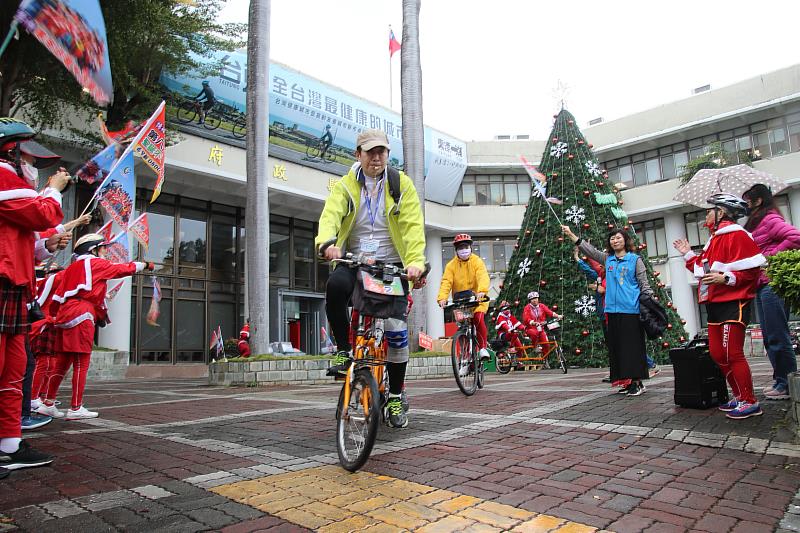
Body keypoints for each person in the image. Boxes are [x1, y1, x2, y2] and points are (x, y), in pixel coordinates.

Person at [315, 129, 425, 429]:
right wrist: (327, 242)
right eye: (370, 152)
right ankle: (342, 350)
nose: (376, 157)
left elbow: (414, 226)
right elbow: (330, 216)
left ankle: (396, 395)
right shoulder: (345, 186)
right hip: (356, 261)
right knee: (335, 287)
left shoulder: (401, 185)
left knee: (395, 330)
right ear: (358, 154)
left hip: (391, 264)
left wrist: (415, 262)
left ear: (387, 155)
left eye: (382, 152)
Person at [0, 117, 70, 474]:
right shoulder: (1, 176)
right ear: (10, 152)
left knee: (14, 371)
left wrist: (45, 245)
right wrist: (55, 188)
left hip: (15, 284)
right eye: (28, 159)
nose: (33, 168)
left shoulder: (12, 182)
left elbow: (22, 241)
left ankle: (9, 444)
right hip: (2, 283)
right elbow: (43, 210)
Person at [37, 234, 154, 420]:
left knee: (61, 363)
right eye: (103, 248)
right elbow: (124, 269)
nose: (105, 251)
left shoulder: (71, 269)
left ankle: (48, 403)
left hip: (64, 315)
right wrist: (146, 265)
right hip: (82, 314)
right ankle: (75, 408)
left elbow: (56, 298)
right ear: (93, 249)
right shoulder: (95, 264)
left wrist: (54, 316)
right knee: (81, 363)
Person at [672, 193, 765, 419]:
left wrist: (727, 278)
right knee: (717, 353)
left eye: (709, 210)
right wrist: (687, 254)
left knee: (732, 352)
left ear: (720, 212)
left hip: (734, 302)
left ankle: (750, 401)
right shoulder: (715, 239)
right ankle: (740, 397)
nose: (706, 215)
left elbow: (753, 270)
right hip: (715, 303)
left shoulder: (737, 235)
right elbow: (704, 271)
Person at [562, 225, 652, 396]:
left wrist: (649, 303)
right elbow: (590, 251)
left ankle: (637, 382)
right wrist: (571, 235)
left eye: (618, 237)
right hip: (611, 310)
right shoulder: (608, 259)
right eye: (612, 238)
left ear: (625, 240)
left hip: (631, 310)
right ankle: (625, 381)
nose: (615, 240)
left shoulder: (635, 260)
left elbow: (644, 284)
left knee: (631, 348)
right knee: (617, 347)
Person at [742, 184, 800, 400]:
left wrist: (770, 256)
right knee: (769, 335)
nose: (746, 205)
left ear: (758, 201)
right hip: (761, 284)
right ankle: (781, 381)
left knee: (777, 334)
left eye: (748, 200)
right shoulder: (756, 222)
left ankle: (785, 383)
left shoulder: (769, 219)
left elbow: (795, 237)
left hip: (772, 283)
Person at [437, 233, 491, 361]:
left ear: (470, 247)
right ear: (456, 250)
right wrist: (442, 298)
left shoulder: (477, 261)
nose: (463, 250)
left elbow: (482, 276)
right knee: (462, 327)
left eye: (466, 246)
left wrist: (482, 291)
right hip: (461, 302)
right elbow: (446, 282)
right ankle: (465, 358)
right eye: (460, 247)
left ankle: (482, 348)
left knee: (478, 319)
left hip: (477, 299)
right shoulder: (451, 265)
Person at [495, 300, 526, 369]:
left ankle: (518, 362)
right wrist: (509, 329)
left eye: (508, 308)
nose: (508, 310)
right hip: (504, 334)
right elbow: (504, 325)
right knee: (515, 333)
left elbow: (517, 323)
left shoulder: (510, 316)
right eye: (506, 309)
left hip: (513, 334)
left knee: (520, 348)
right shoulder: (500, 317)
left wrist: (524, 328)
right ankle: (510, 347)